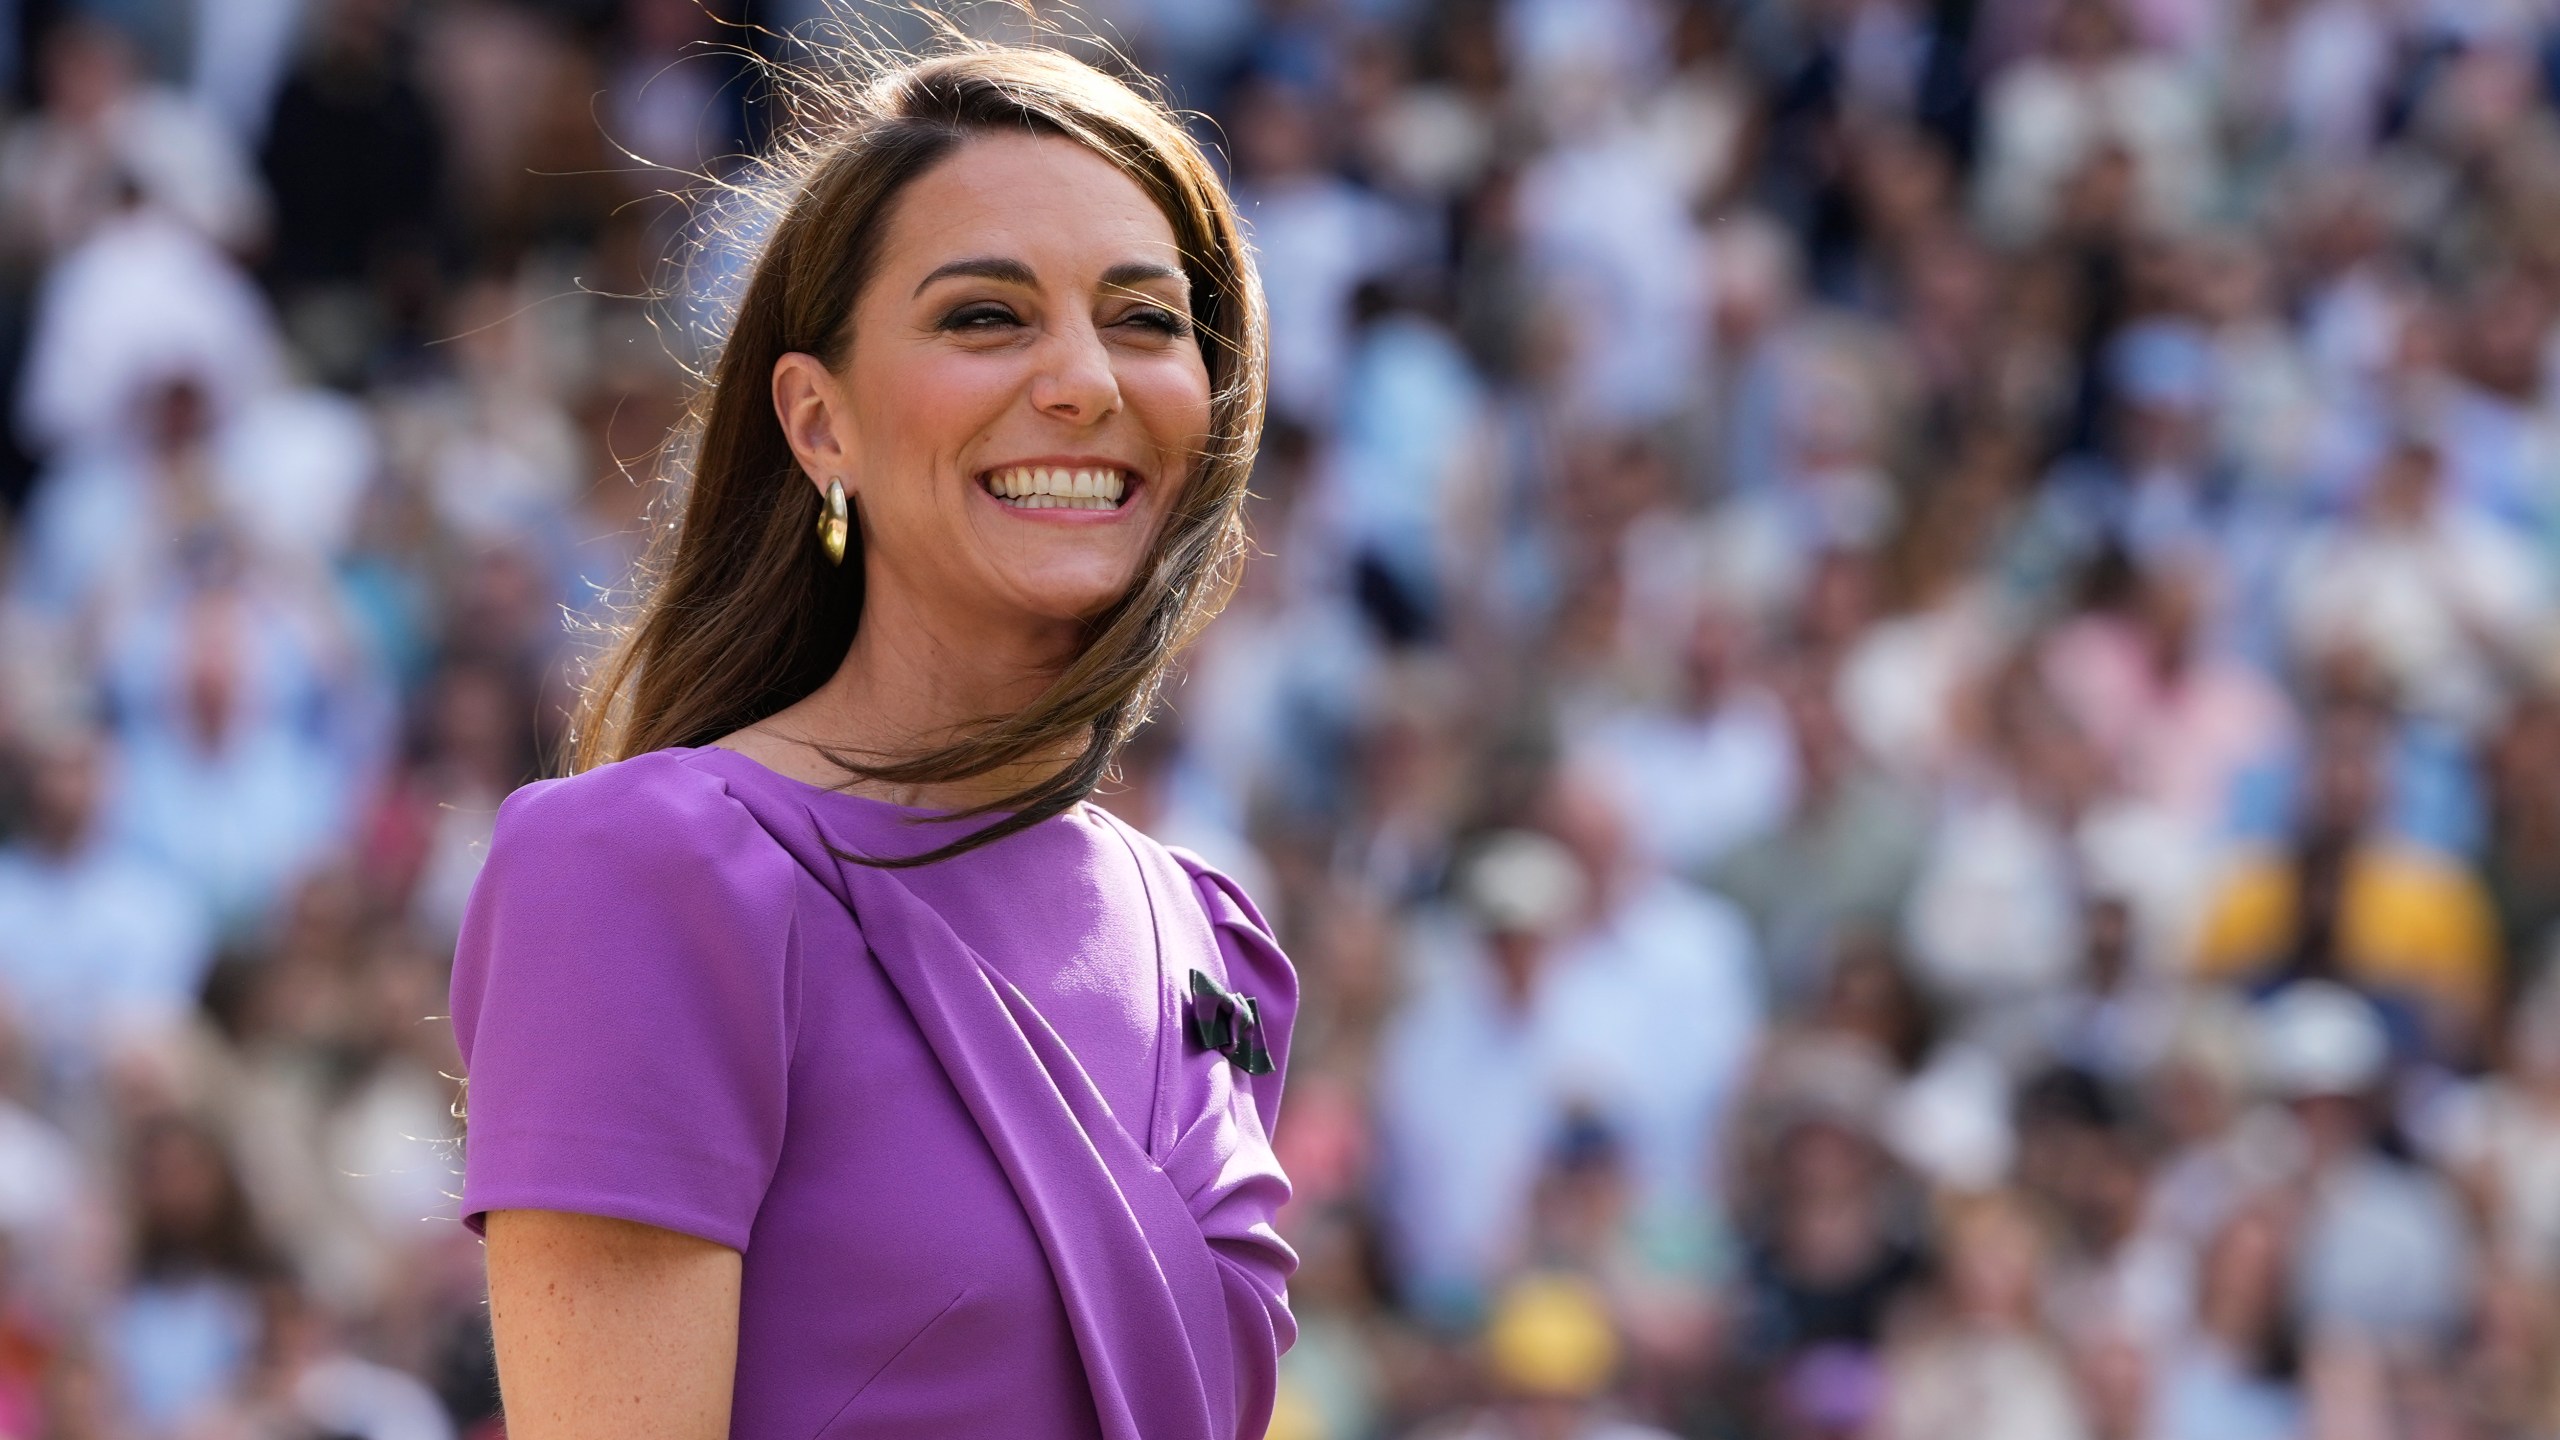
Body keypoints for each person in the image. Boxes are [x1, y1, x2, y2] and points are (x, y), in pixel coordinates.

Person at [446, 44, 1297, 1440]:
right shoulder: (643, 874)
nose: (1084, 380)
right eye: (984, 317)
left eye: (1146, 319)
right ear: (818, 419)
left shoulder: (1211, 933)